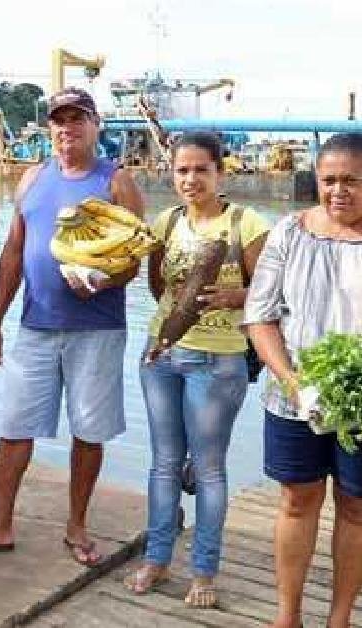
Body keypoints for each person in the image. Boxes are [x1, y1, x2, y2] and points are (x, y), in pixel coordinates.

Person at [0, 87, 144, 561]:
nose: (66, 128)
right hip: (34, 326)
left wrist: (101, 279)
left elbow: (134, 258)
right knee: (14, 425)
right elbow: (14, 251)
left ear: (96, 125)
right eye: (58, 120)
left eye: (77, 119)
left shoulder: (116, 182)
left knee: (88, 431)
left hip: (97, 329)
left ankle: (76, 526)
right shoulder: (33, 177)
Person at [243, 132, 362, 628]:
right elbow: (260, 316)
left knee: (358, 504)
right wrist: (293, 381)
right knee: (297, 499)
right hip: (295, 398)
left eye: (352, 181)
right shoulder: (290, 233)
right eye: (328, 180)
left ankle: (341, 618)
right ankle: (287, 616)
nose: (339, 191)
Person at [122, 132, 269, 607]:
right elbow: (157, 288)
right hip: (161, 356)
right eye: (181, 170)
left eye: (200, 170)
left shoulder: (246, 224)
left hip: (218, 360)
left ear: (219, 173)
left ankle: (204, 571)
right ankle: (157, 558)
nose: (190, 179)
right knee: (164, 463)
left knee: (207, 469)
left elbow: (274, 293)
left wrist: (234, 297)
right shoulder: (164, 223)